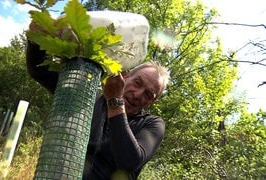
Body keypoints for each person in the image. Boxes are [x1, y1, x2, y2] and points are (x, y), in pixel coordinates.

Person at [26, 36, 170, 179]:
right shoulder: (89, 98)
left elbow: (129, 162)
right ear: (125, 76)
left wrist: (114, 102)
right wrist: (35, 40)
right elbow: (40, 71)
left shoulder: (152, 124)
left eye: (148, 94)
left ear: (152, 103)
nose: (138, 94)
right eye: (137, 83)